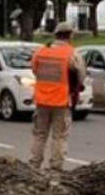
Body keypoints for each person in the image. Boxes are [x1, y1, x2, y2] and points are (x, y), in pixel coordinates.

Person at [28, 22, 86, 171]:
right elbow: (81, 75)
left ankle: (34, 165)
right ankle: (55, 167)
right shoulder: (71, 53)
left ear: (55, 35)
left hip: (41, 100)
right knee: (59, 136)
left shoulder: (41, 51)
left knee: (40, 134)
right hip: (61, 101)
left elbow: (34, 70)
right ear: (70, 35)